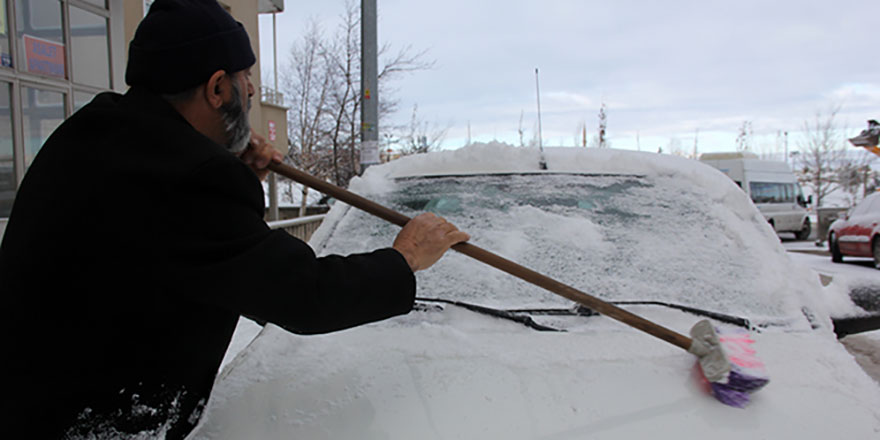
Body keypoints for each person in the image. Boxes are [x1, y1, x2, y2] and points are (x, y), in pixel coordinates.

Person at [0, 1, 468, 438]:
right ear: (217, 87)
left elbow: (191, 244)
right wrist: (404, 258)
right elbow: (303, 295)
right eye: (246, 78)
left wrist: (224, 158)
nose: (250, 91)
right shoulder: (186, 178)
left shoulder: (97, 133)